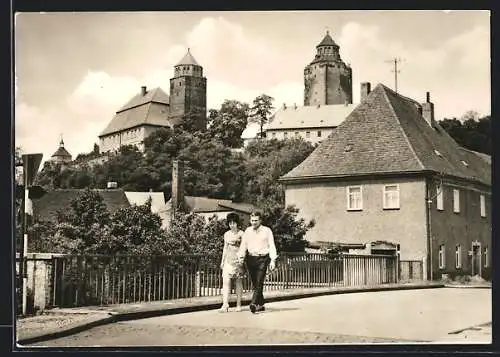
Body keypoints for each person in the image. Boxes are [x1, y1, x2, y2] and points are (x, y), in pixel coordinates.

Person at [238, 211, 277, 314]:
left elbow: (271, 245)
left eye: (256, 220)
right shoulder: (247, 231)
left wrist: (273, 260)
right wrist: (241, 258)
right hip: (250, 259)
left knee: (259, 282)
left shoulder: (267, 231)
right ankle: (261, 303)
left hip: (262, 259)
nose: (253, 222)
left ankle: (254, 303)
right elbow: (243, 245)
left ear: (260, 220)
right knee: (255, 283)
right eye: (252, 220)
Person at [219, 212, 245, 312]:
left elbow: (244, 248)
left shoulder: (242, 234)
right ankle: (225, 304)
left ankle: (238, 304)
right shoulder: (226, 234)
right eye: (230, 223)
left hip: (238, 261)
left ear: (237, 223)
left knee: (238, 282)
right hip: (228, 261)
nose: (232, 225)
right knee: (226, 282)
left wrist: (242, 260)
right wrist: (222, 261)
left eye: (234, 223)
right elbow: (225, 248)